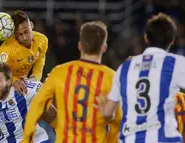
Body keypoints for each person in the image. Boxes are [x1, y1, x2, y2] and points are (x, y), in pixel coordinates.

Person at [22, 21, 122, 143]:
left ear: (80, 45)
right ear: (104, 47)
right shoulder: (111, 77)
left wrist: (27, 138)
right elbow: (117, 122)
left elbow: (36, 107)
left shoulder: (59, 72)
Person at [95, 13, 185, 142]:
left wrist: (104, 110)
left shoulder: (125, 68)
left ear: (146, 38)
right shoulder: (175, 63)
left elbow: (108, 112)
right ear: (172, 40)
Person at [0, 10, 48, 95]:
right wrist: (14, 81)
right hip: (4, 89)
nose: (24, 37)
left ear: (31, 25)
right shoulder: (7, 49)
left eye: (26, 32)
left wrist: (34, 78)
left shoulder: (42, 40)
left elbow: (40, 61)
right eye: (19, 34)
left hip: (24, 85)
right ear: (14, 34)